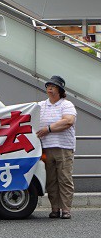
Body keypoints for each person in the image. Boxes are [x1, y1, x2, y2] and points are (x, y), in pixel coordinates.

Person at [36, 75, 76, 219]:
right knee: (51, 179)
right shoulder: (41, 105)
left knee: (64, 178)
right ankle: (55, 209)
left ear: (59, 90)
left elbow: (68, 121)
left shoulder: (66, 105)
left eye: (53, 87)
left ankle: (66, 209)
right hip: (46, 147)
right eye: (48, 86)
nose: (50, 89)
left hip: (63, 147)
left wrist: (48, 129)